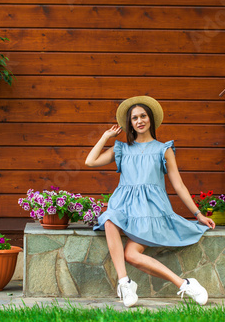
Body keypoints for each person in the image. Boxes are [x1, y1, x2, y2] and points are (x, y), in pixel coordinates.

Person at [85, 95, 215, 307]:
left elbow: (179, 185)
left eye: (143, 116)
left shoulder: (163, 149)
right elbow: (90, 161)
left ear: (150, 119)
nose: (139, 121)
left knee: (132, 255)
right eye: (134, 118)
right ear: (130, 124)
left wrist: (198, 214)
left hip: (150, 211)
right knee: (109, 219)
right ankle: (125, 282)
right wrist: (105, 136)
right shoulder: (121, 148)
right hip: (124, 208)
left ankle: (185, 283)